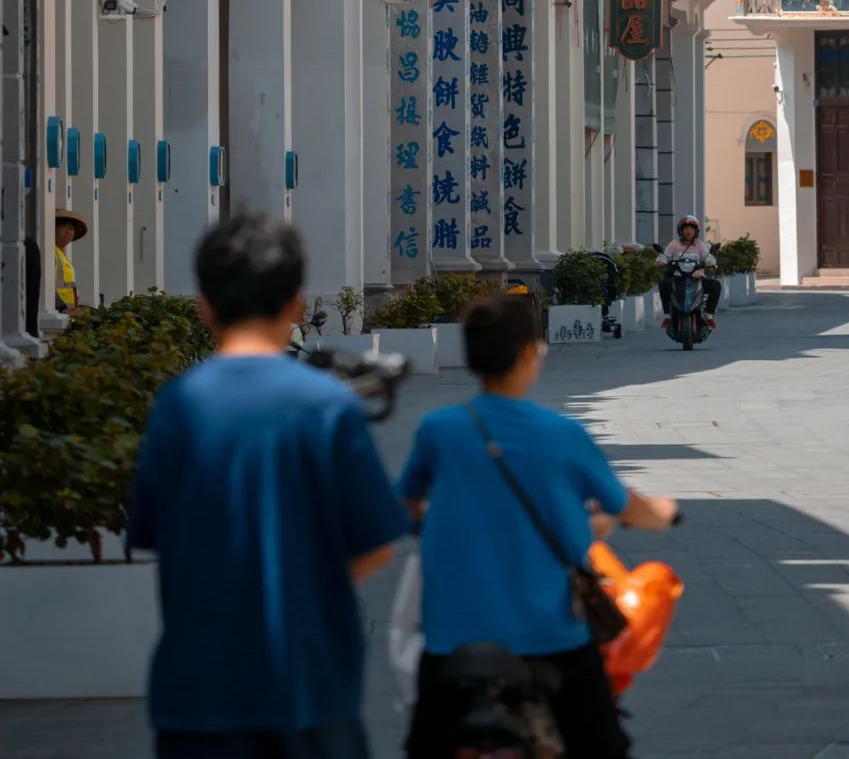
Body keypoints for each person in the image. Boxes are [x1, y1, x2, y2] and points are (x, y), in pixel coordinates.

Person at [127, 214, 406, 759]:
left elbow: (154, 533)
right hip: (310, 692)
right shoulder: (328, 406)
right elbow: (375, 544)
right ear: (297, 304)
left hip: (198, 698)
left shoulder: (179, 405)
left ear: (204, 304)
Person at [399, 293, 679, 759]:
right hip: (550, 638)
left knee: (424, 746)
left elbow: (406, 505)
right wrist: (663, 512)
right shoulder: (562, 433)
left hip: (453, 640)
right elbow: (627, 506)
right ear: (530, 353)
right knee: (605, 745)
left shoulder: (438, 430)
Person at [658, 215, 721, 330]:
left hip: (697, 279)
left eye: (691, 229)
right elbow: (665, 255)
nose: (688, 231)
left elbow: (707, 256)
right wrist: (661, 261)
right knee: (663, 284)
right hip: (678, 278)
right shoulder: (674, 244)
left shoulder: (700, 245)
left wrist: (710, 262)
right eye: (686, 228)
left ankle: (708, 314)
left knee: (716, 285)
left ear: (696, 231)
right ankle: (667, 315)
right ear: (680, 230)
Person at [54, 209, 87, 314]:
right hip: (60, 313)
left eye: (71, 228)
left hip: (67, 314)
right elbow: (46, 286)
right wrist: (60, 308)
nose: (68, 232)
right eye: (63, 227)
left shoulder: (61, 254)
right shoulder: (51, 253)